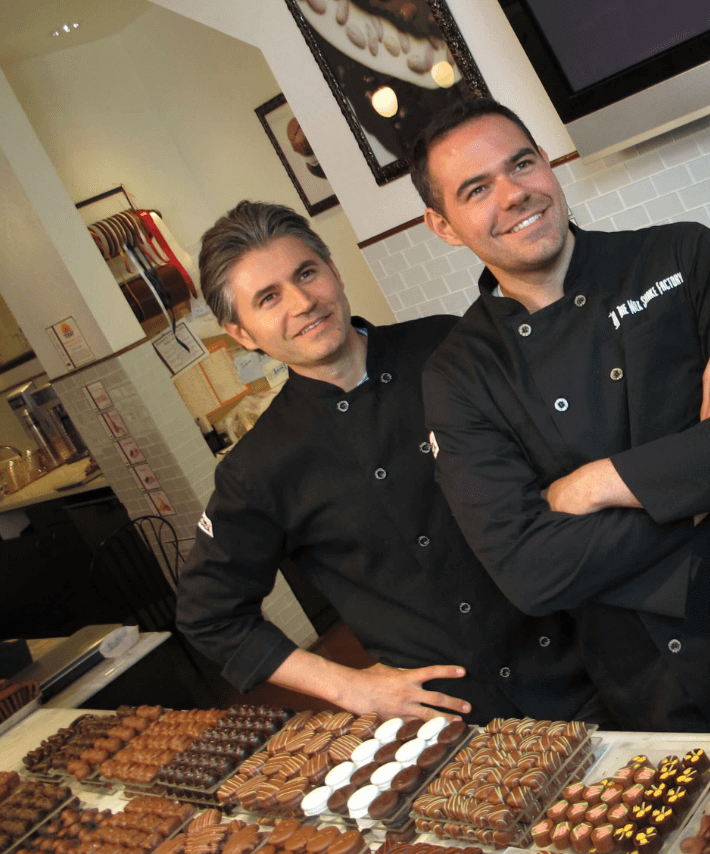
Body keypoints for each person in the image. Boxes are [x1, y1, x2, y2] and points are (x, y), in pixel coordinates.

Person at [415, 98, 710, 732]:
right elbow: (531, 570)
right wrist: (702, 470)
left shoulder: (683, 259)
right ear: (443, 226)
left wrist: (602, 483)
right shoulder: (460, 375)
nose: (514, 193)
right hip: (661, 699)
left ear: (549, 164)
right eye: (476, 189)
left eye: (521, 163)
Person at [176, 200, 597, 723]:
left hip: (590, 656)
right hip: (452, 720)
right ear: (241, 332)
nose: (303, 302)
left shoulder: (451, 345)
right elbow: (209, 614)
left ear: (333, 270)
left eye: (307, 273)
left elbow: (575, 434)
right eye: (268, 298)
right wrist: (348, 687)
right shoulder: (258, 467)